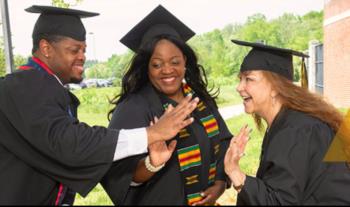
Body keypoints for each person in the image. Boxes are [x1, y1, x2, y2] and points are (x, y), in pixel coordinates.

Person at [0, 5, 199, 205]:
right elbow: (71, 143)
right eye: (74, 50)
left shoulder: (49, 89)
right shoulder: (21, 87)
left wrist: (150, 163)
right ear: (46, 48)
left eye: (84, 49)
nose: (83, 57)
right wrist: (152, 133)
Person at [101, 5, 233, 206]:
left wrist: (221, 183)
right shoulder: (133, 107)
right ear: (146, 66)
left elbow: (223, 141)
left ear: (185, 62)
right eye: (157, 64)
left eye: (174, 61)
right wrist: (152, 163)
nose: (167, 70)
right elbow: (116, 173)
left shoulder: (199, 100)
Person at [224, 39, 350, 205]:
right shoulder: (290, 122)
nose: (239, 87)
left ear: (275, 87)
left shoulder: (296, 130)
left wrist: (235, 173)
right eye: (240, 79)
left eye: (249, 79)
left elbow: (280, 202)